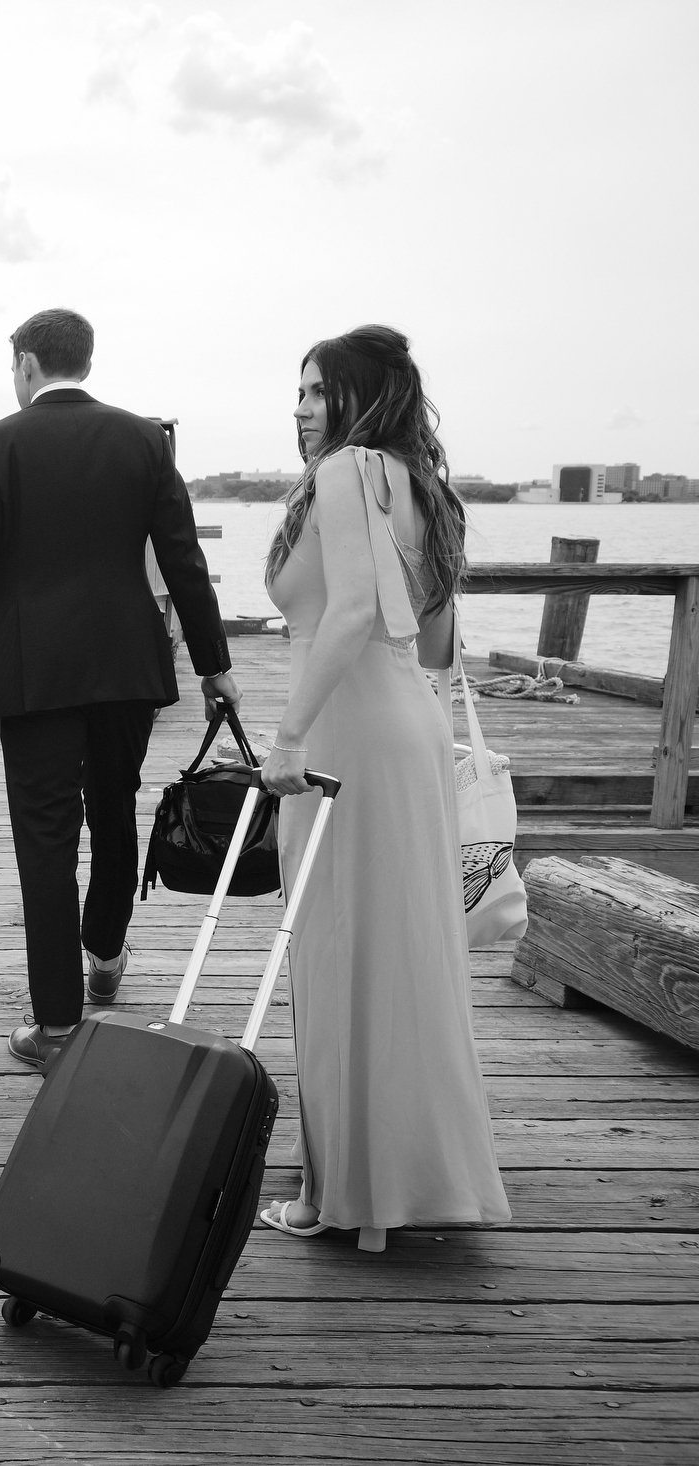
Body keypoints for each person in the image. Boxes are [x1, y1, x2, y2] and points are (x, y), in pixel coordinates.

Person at [0, 309, 236, 1069]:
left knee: (46, 840)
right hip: (127, 664)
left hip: (35, 672)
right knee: (115, 809)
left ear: (26, 364)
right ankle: (107, 955)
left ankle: (56, 1026)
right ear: (84, 361)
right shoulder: (143, 441)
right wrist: (215, 665)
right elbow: (183, 560)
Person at [256, 324, 509, 1252]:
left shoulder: (347, 471)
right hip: (410, 730)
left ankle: (340, 1194)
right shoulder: (424, 488)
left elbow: (356, 610)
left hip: (344, 739)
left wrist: (286, 736)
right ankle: (405, 1178)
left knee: (333, 958)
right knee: (404, 961)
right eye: (299, 391)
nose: (303, 408)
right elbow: (436, 644)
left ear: (362, 399)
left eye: (320, 391)